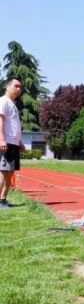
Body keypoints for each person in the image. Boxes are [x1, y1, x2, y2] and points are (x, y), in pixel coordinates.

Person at [0, 78, 26, 209]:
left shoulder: (12, 105)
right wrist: (1, 139)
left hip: (13, 143)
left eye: (20, 87)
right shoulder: (3, 101)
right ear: (7, 86)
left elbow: (13, 125)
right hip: (6, 142)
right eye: (16, 86)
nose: (18, 89)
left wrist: (19, 141)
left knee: (9, 172)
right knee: (3, 171)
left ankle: (3, 200)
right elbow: (0, 120)